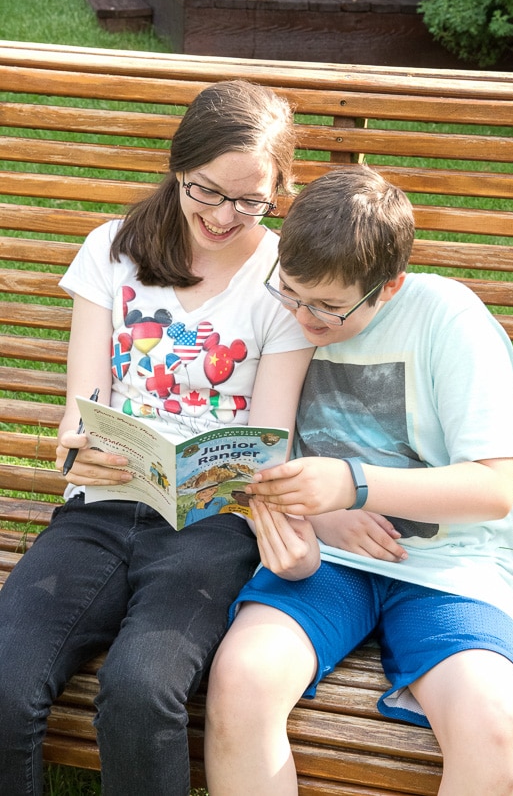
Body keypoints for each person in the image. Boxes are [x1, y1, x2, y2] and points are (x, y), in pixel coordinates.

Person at [0, 80, 313, 796]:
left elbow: (271, 439)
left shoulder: (281, 278)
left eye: (250, 200)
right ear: (178, 165)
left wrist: (240, 484)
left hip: (212, 528)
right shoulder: (112, 250)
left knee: (142, 687)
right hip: (103, 505)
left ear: (276, 193)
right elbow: (81, 409)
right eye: (207, 190)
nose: (225, 215)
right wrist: (81, 442)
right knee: (6, 674)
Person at [205, 165, 513, 796]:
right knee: (242, 682)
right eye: (293, 293)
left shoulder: (449, 319)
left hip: (449, 566)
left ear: (389, 287)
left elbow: (493, 490)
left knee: (490, 724)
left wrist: (353, 484)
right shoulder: (281, 312)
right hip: (328, 559)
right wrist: (314, 519)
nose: (304, 316)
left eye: (328, 307)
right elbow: (261, 461)